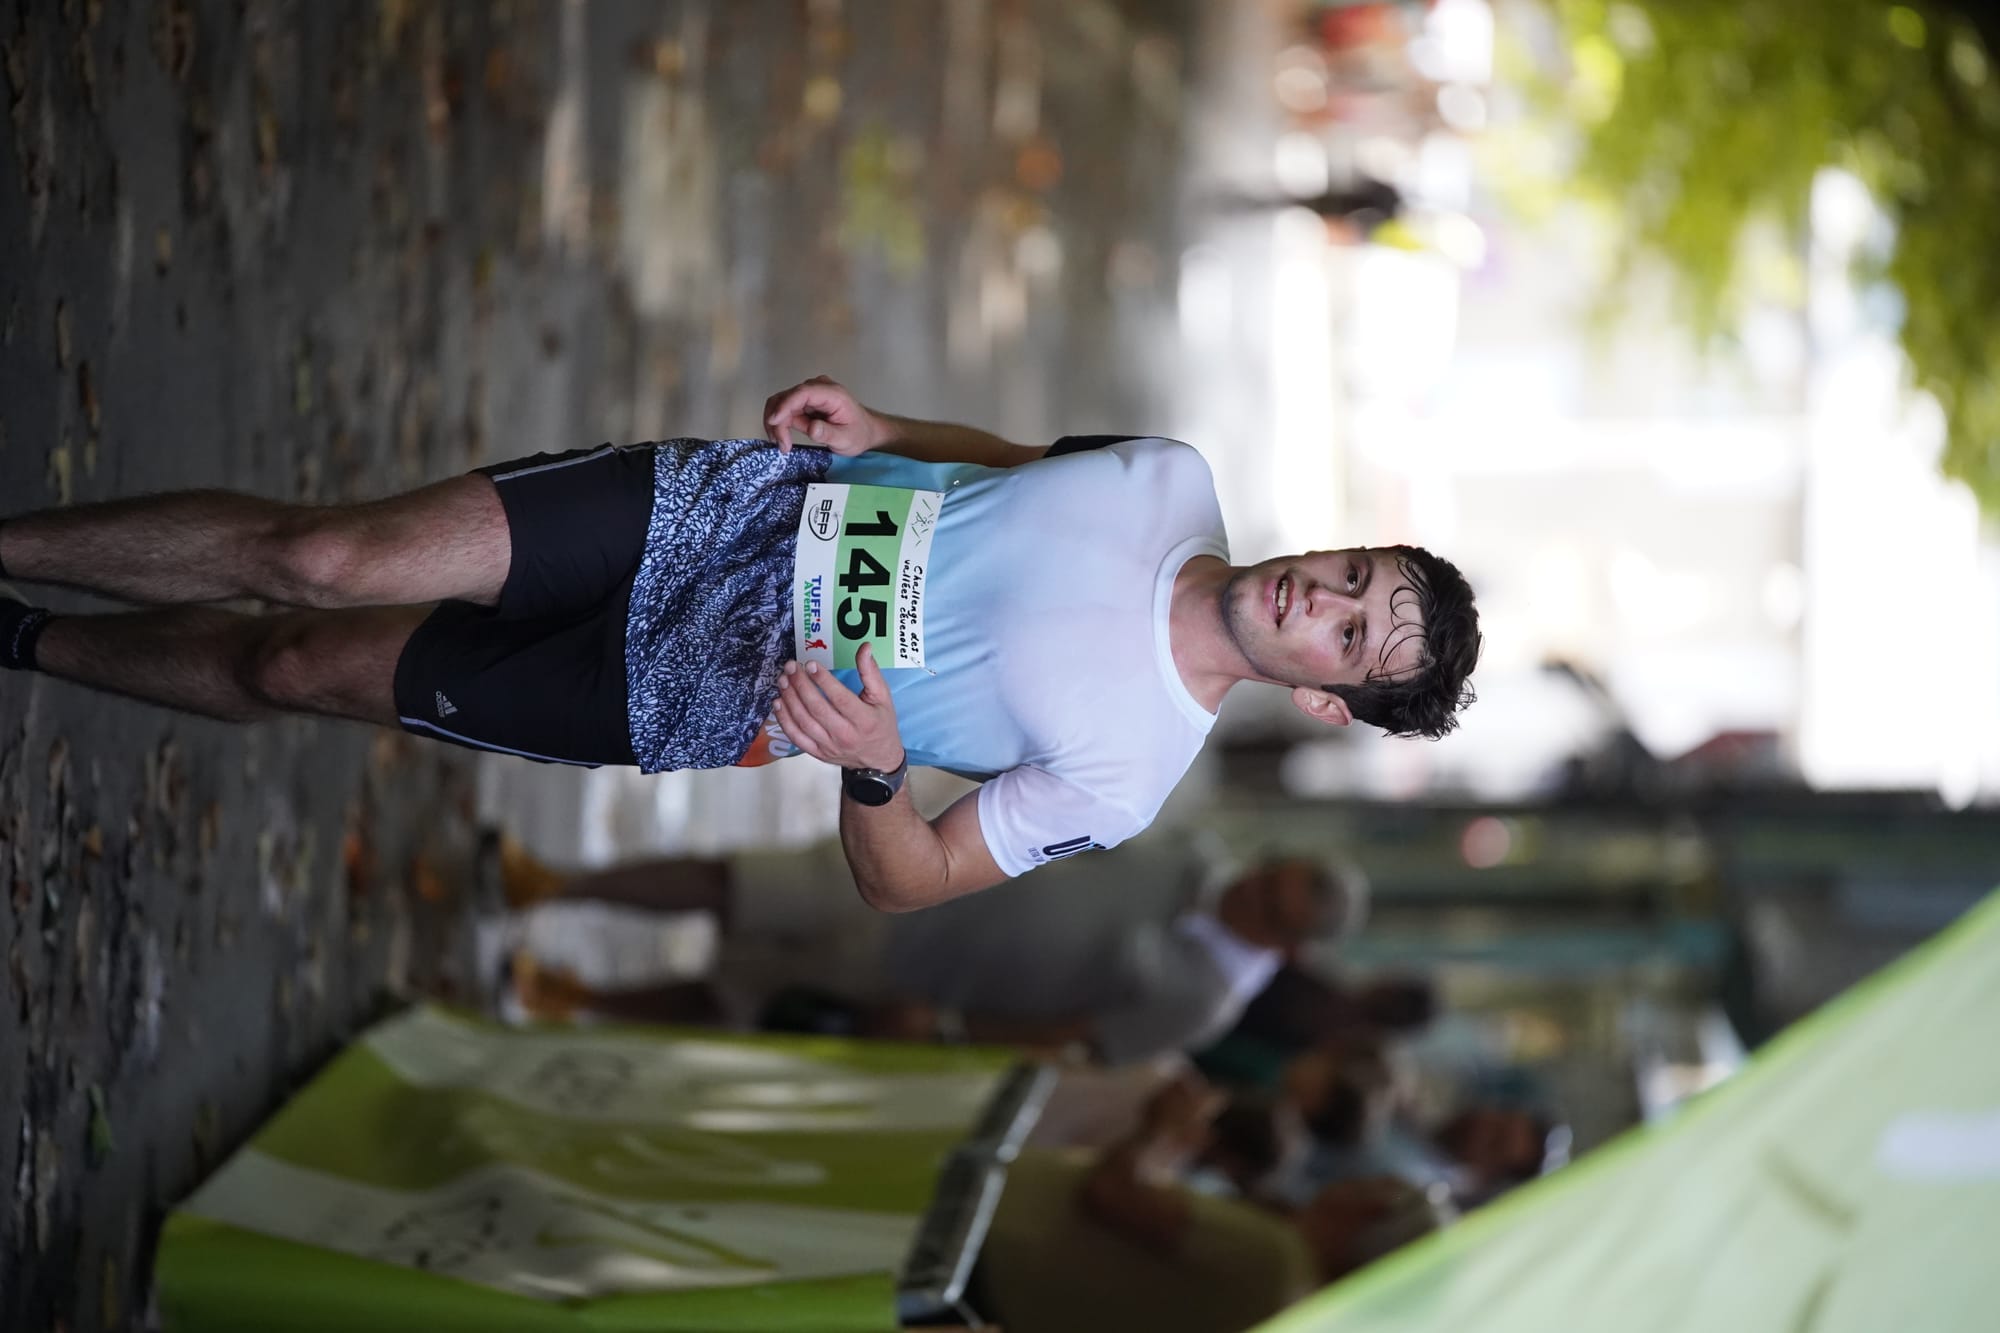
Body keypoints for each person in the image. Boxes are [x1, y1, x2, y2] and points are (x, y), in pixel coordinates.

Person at [0, 376, 1480, 910]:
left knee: (291, 667)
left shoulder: (1128, 775)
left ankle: (27, 639)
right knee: (324, 559)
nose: (1321, 598)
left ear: (1330, 704)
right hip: (715, 516)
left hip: (690, 694)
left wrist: (878, 769)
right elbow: (1016, 464)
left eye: (1351, 637)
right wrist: (889, 428)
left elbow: (913, 882)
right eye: (1352, 574)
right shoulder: (1170, 473)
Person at [505, 834, 1368, 1067]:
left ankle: (578, 997)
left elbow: (1076, 1039)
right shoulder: (1196, 856)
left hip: (915, 974)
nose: (1251, 891)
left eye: (1271, 905)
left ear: (1289, 943)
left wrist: (950, 1028)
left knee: (731, 996)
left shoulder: (1205, 1000)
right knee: (734, 881)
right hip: (918, 873)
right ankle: (556, 883)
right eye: (1270, 875)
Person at [978, 1070, 1450, 1333]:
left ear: (1372, 1212)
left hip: (992, 1249)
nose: (1357, 1181)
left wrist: (1164, 1127)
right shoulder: (1288, 1293)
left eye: (1378, 1183)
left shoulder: (1276, 1261)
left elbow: (1113, 1194)